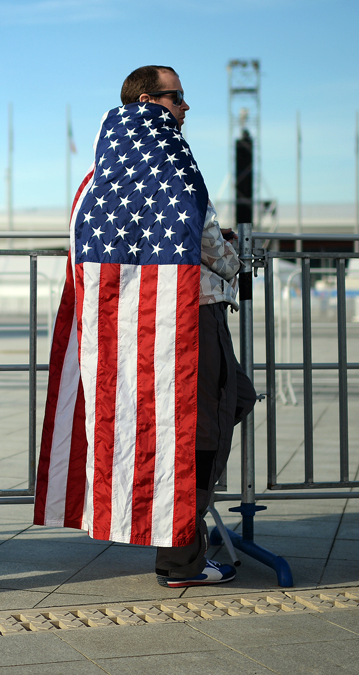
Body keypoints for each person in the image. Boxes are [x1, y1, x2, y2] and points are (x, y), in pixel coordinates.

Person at [122, 65, 257, 587]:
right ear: (151, 102)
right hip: (193, 316)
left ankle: (179, 531)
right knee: (203, 427)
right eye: (177, 97)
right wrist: (235, 259)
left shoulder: (116, 163)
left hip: (153, 317)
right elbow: (207, 246)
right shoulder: (171, 162)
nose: (185, 106)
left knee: (225, 404)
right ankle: (181, 557)